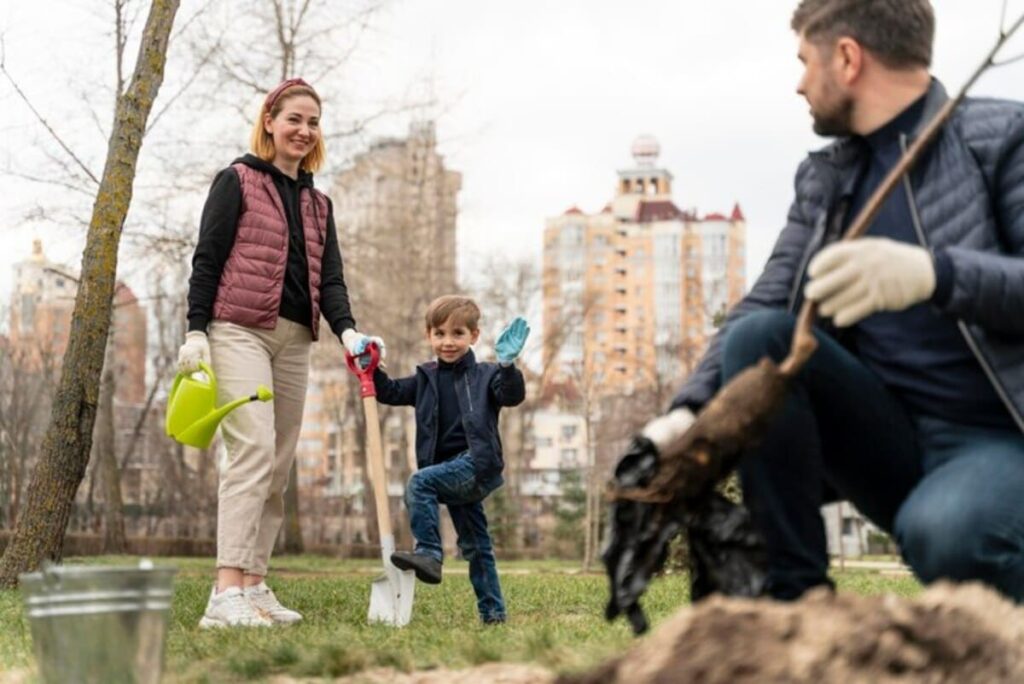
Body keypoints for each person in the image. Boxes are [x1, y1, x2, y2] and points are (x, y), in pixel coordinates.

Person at [638, 0, 1024, 602]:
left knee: (949, 533)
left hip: (997, 439)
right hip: (887, 437)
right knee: (759, 336)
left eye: (803, 61)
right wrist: (686, 414)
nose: (799, 84)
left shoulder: (1002, 138)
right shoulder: (827, 179)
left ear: (846, 58)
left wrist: (937, 275)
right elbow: (768, 302)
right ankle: (795, 608)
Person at [177, 77, 384, 628]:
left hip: (295, 338)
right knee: (251, 451)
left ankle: (254, 583)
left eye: (313, 122)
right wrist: (196, 331)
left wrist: (349, 334)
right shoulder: (237, 180)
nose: (304, 129)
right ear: (270, 120)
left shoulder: (319, 203)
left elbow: (331, 281)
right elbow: (208, 259)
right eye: (294, 118)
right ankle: (224, 595)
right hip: (237, 330)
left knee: (278, 463)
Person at [370, 295, 528, 624]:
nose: (448, 342)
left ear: (474, 336)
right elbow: (389, 392)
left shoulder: (486, 375)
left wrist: (508, 366)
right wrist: (373, 365)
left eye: (458, 333)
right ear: (429, 335)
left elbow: (510, 395)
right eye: (439, 333)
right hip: (449, 473)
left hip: (476, 464)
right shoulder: (424, 379)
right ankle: (494, 613)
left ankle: (429, 552)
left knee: (420, 481)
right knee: (476, 545)